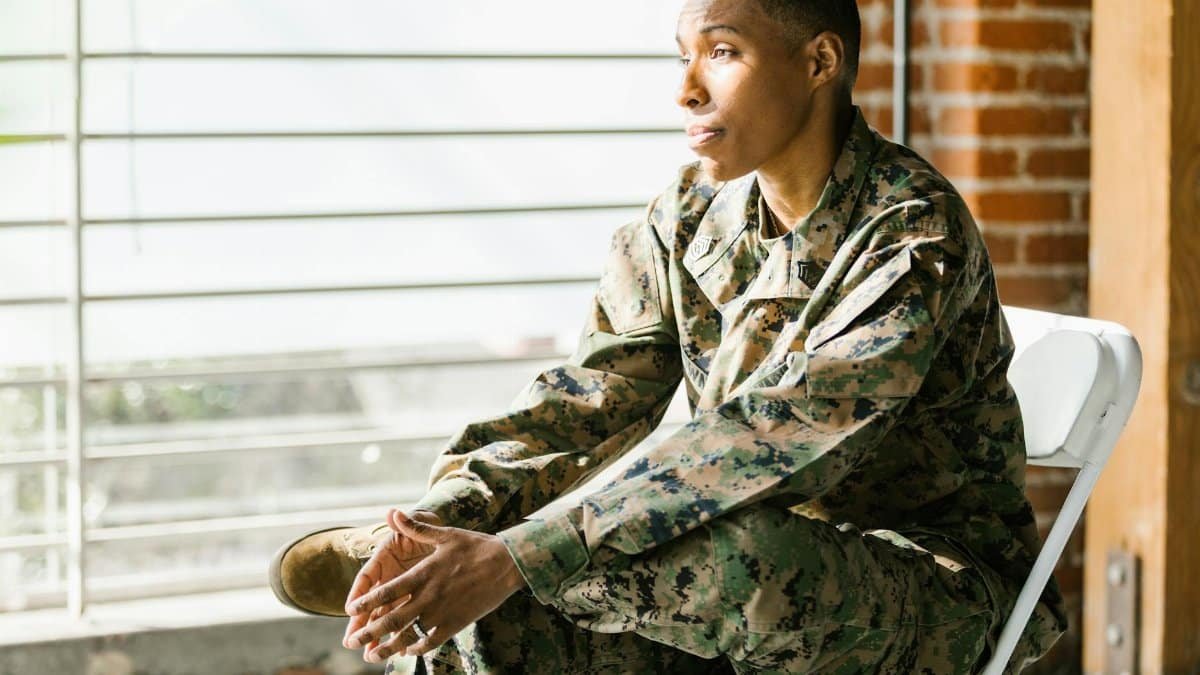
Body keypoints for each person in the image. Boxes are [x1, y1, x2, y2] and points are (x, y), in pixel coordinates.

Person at [269, 0, 1069, 672]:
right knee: (476, 615)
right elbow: (586, 401)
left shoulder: (909, 231)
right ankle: (433, 549)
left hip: (933, 589)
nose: (686, 90)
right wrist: (452, 512)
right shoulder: (686, 219)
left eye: (722, 52)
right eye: (683, 56)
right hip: (738, 589)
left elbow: (770, 438)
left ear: (819, 62)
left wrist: (517, 554)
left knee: (728, 551)